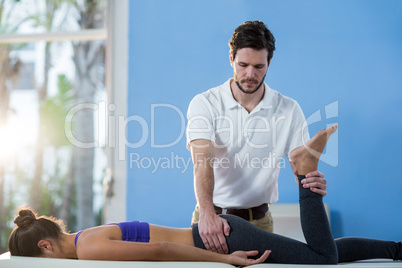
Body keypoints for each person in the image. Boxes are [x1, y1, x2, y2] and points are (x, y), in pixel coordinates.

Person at [8, 125, 402, 265]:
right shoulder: (86, 236)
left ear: (45, 245)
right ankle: (398, 250)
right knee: (317, 251)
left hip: (217, 239)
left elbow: (161, 251)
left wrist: (223, 259)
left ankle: (302, 173)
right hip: (219, 234)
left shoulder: (90, 250)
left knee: (322, 258)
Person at [186, 20, 327, 254]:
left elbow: (301, 166)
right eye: (243, 65)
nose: (250, 74)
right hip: (213, 218)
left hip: (261, 221)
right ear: (231, 59)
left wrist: (310, 183)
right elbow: (202, 162)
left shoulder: (289, 110)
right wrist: (207, 214)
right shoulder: (205, 103)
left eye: (259, 66)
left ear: (269, 63)